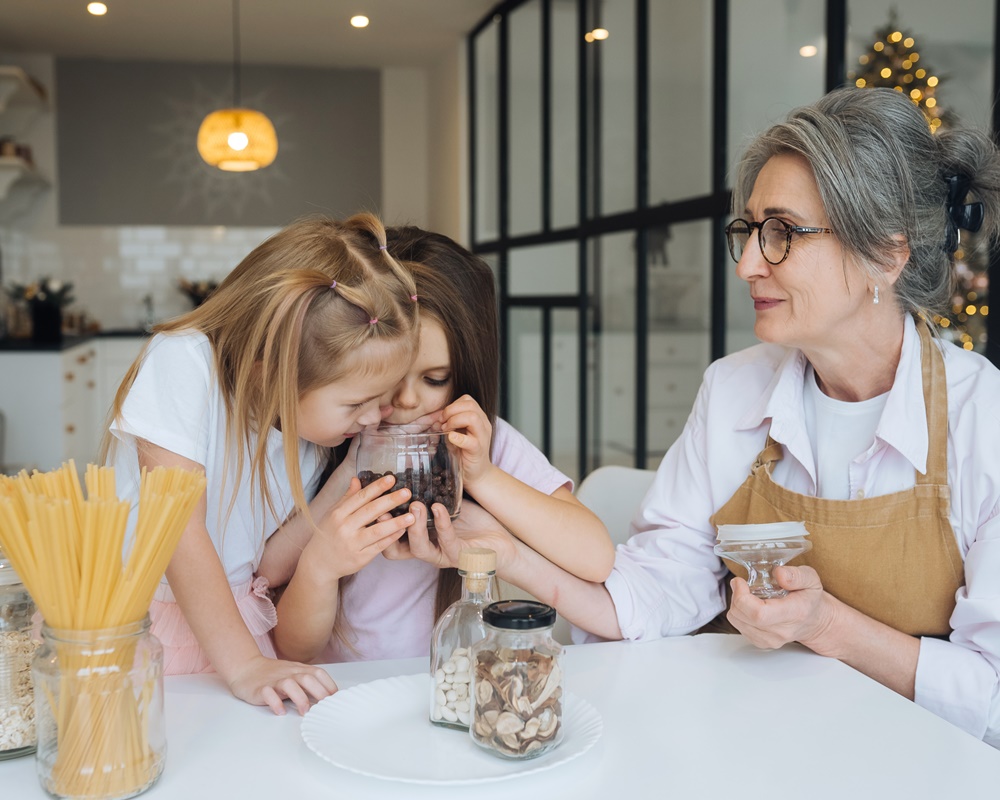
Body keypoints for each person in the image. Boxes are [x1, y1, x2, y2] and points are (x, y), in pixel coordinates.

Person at [411, 87, 1000, 747]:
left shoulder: (985, 421)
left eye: (784, 233)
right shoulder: (733, 391)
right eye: (749, 231)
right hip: (741, 742)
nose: (749, 264)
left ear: (888, 256)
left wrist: (825, 625)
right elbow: (656, 594)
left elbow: (993, 696)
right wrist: (504, 550)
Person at [101, 213, 421, 714]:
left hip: (238, 629)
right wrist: (246, 665)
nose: (376, 415)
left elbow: (265, 566)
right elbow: (177, 531)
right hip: (146, 627)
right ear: (271, 373)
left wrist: (347, 475)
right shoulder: (183, 362)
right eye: (359, 402)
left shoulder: (308, 431)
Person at [261, 226, 615, 663]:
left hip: (449, 684)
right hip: (342, 691)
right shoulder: (329, 434)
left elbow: (595, 557)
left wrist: (483, 475)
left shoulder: (480, 442)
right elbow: (277, 599)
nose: (407, 401)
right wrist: (346, 479)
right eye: (386, 379)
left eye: (435, 379)